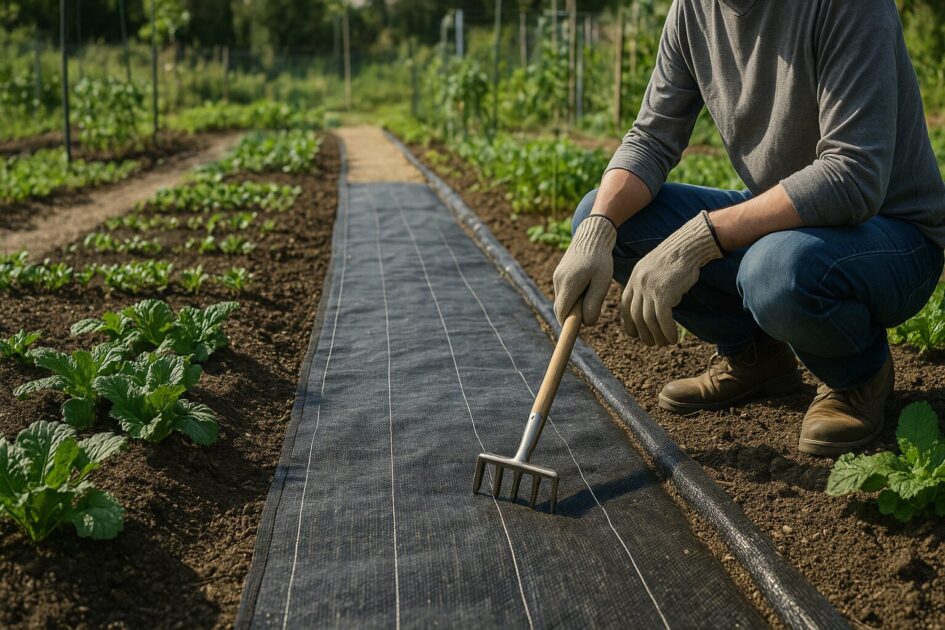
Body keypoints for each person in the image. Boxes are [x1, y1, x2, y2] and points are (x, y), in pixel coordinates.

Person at [552, 0, 945, 456]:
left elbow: (852, 175)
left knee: (774, 270)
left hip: (892, 235)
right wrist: (597, 228)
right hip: (790, 222)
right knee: (605, 216)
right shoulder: (694, 9)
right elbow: (652, 137)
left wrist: (700, 240)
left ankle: (857, 375)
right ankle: (755, 355)